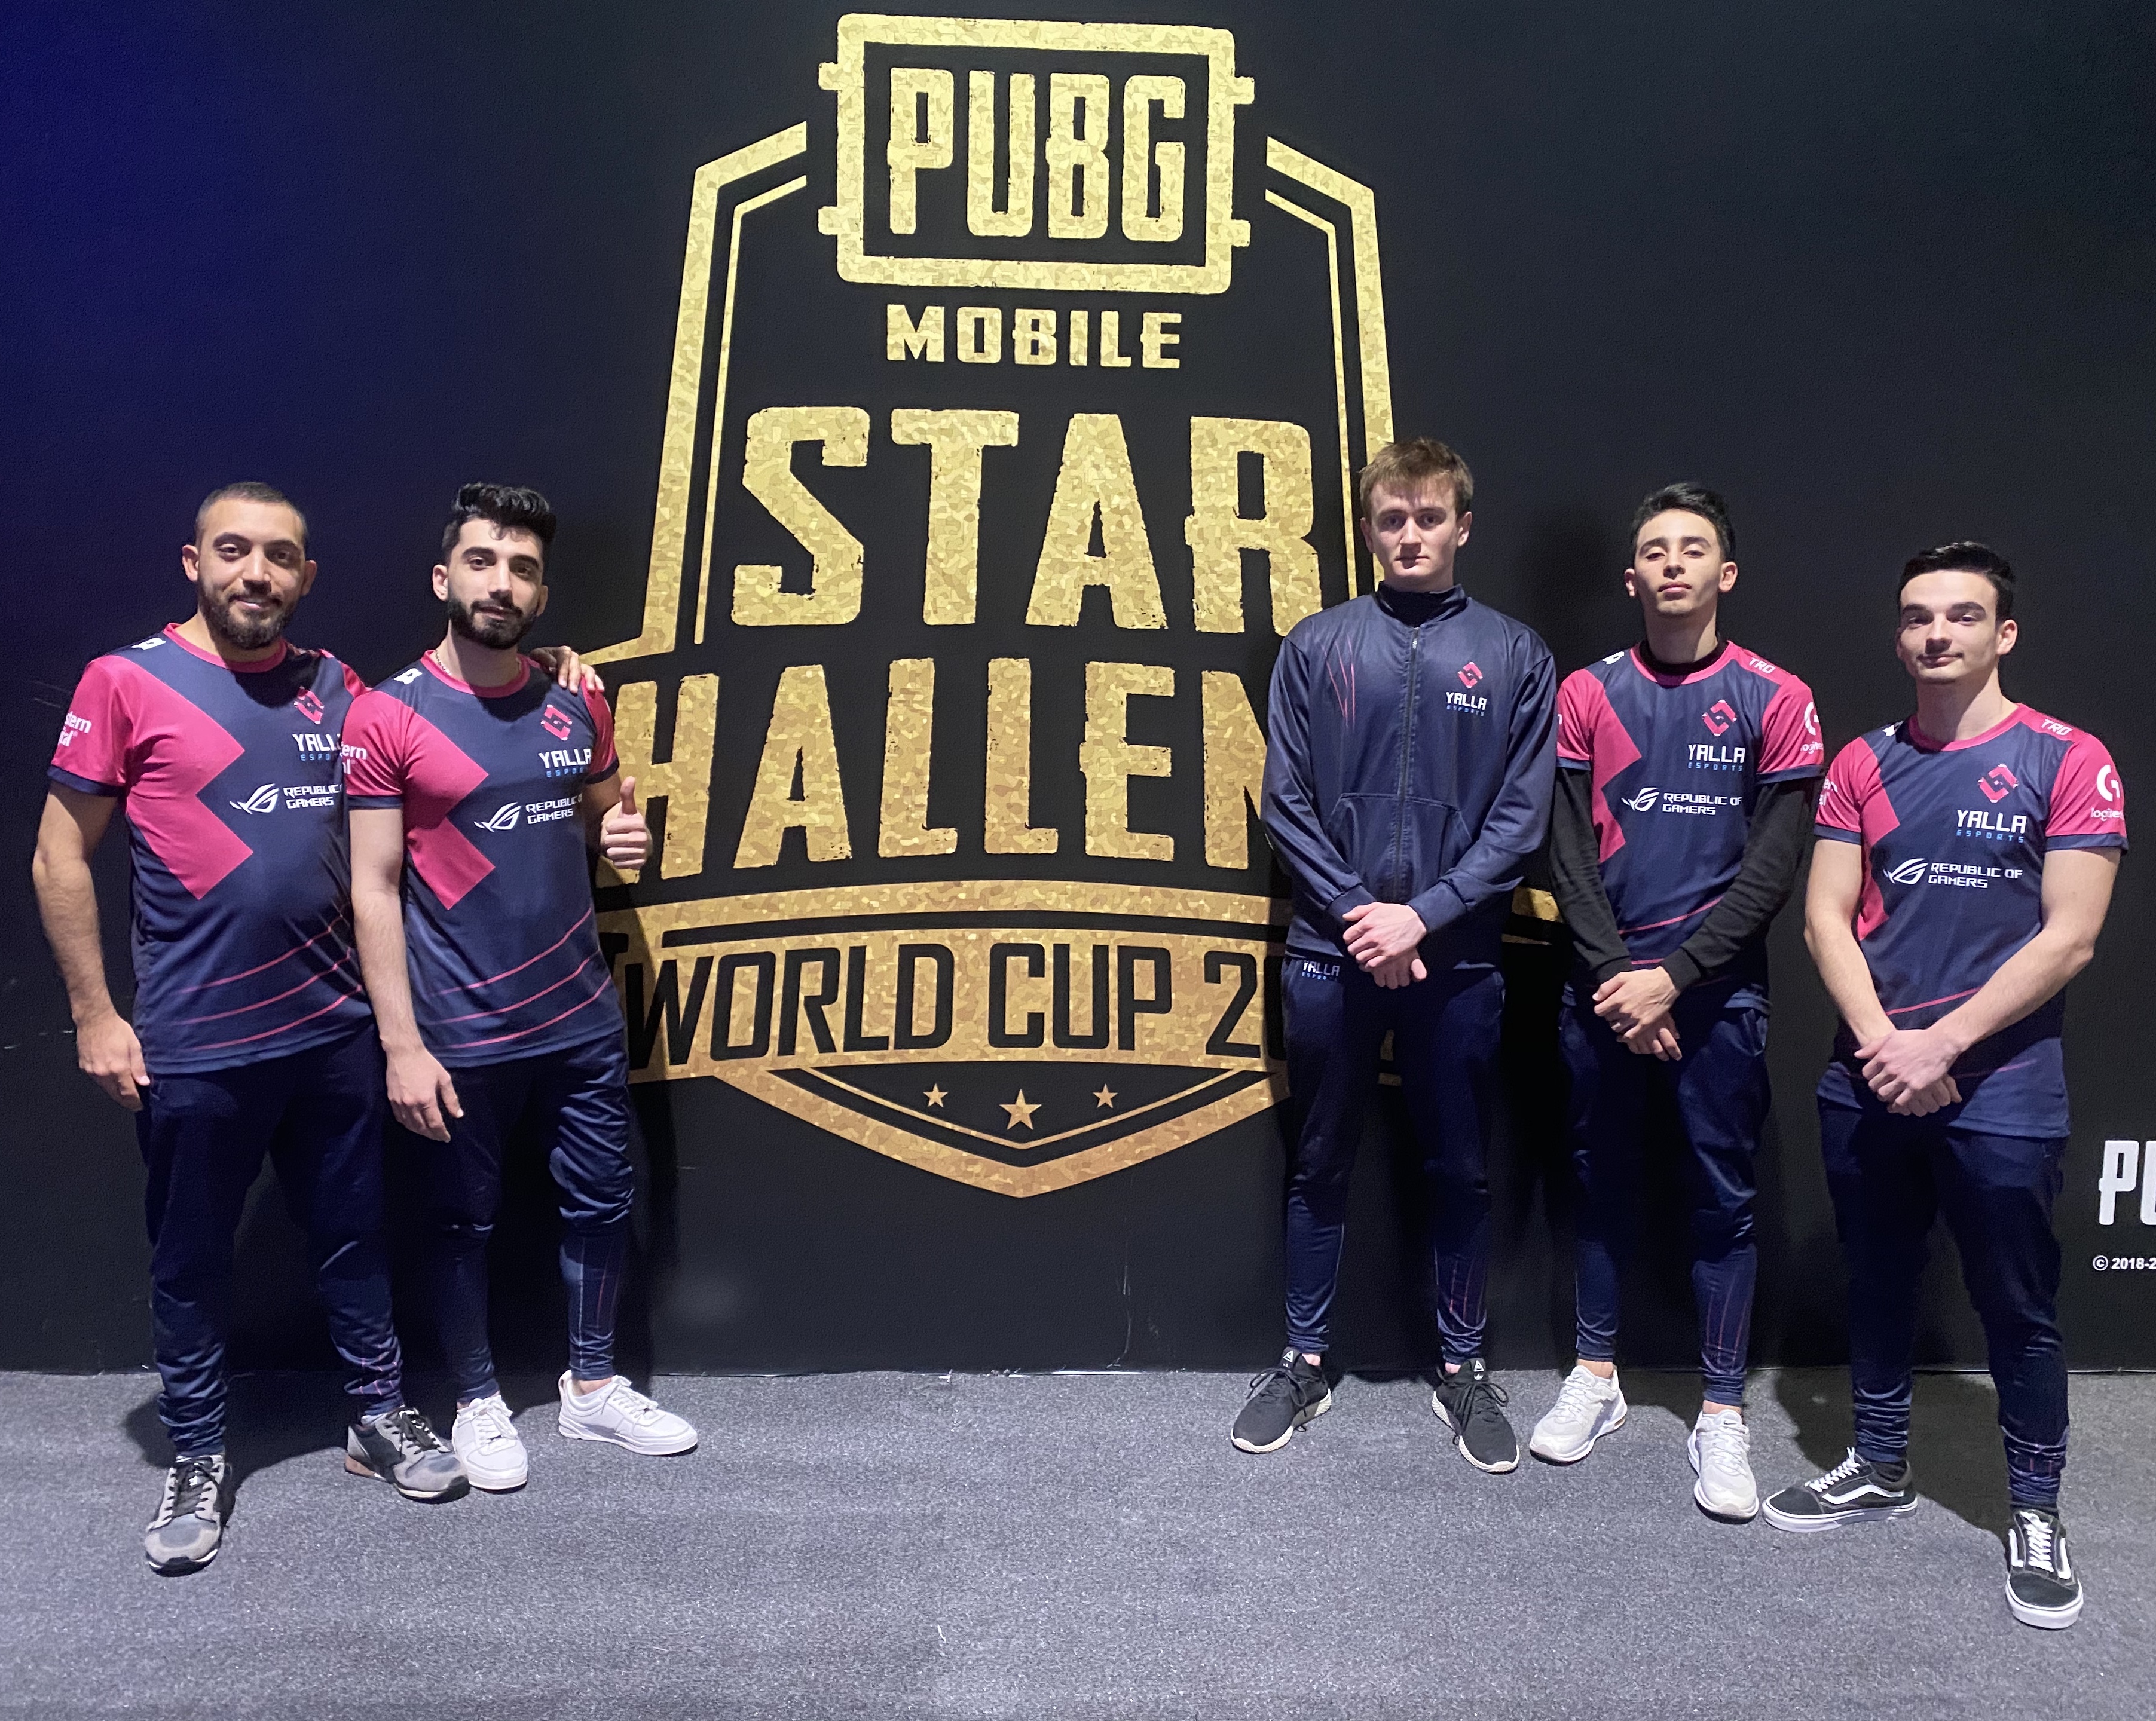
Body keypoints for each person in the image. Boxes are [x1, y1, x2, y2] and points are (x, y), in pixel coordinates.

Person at [32, 483, 471, 1575]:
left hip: (333, 1032)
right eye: (234, 550)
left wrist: (554, 670)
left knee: (355, 1237)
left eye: (280, 556)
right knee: (191, 1260)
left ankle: (377, 1414)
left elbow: (445, 719)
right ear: (194, 562)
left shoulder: (336, 686)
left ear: (306, 576)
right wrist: (95, 1015)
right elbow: (57, 856)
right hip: (195, 1044)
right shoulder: (126, 681)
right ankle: (195, 1451)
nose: (256, 573)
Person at [1770, 543, 2124, 1631]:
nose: (1938, 634)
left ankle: (2035, 1510)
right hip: (1870, 1076)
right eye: (1920, 616)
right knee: (1877, 1280)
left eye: (1963, 616)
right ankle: (1880, 1463)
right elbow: (1825, 915)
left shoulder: (2069, 757)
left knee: (2017, 1306)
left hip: (2004, 1087)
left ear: (2003, 634)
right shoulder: (1862, 761)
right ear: (1899, 636)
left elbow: (2071, 937)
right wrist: (1887, 1043)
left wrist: (1945, 1045)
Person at [345, 482, 696, 1493]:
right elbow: (373, 887)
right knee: (461, 1222)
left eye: (523, 569)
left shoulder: (576, 697)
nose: (502, 584)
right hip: (459, 1029)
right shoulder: (388, 715)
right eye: (483, 562)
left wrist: (618, 836)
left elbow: (603, 815)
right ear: (442, 578)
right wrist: (402, 1046)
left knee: (602, 1200)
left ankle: (593, 1389)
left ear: (542, 595)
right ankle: (477, 1400)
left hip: (580, 1016)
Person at [1233, 438, 1556, 1469]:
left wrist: (1423, 917)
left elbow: (1521, 819)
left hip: (1457, 959)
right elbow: (1284, 801)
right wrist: (1357, 912)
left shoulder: (1516, 654)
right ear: (1369, 530)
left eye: (1428, 518)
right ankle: (1303, 1361)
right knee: (1320, 1157)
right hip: (1330, 953)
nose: (1410, 536)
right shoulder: (1316, 646)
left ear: (1463, 526)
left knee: (1458, 1166)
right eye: (1391, 520)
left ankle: (1462, 1366)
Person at [1531, 484, 1822, 1520]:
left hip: (1716, 999)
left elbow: (1773, 868)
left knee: (1722, 1201)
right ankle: (1596, 1375)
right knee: (1599, 1180)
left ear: (1723, 573)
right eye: (1654, 550)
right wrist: (1622, 976)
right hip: (1605, 992)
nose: (1672, 565)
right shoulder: (1586, 693)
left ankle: (1722, 1412)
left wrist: (1676, 976)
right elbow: (1564, 851)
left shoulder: (1775, 697)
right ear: (1631, 578)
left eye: (1692, 549)